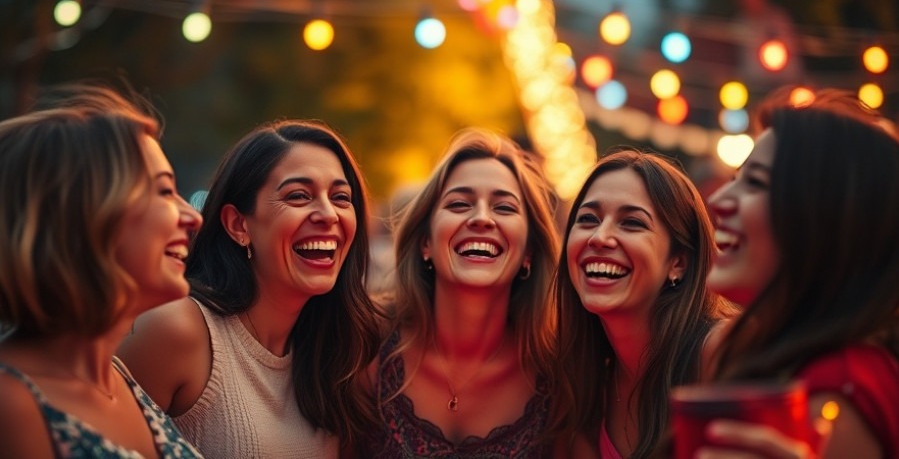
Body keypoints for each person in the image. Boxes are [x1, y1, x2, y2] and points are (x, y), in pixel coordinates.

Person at [118, 120, 383, 458]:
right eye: (298, 195)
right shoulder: (177, 329)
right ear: (238, 225)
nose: (328, 214)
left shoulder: (339, 349)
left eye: (341, 197)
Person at [0, 83, 203, 457]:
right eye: (163, 192)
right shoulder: (12, 406)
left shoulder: (120, 376)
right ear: (82, 217)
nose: (193, 216)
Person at [700, 88, 899, 458]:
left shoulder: (837, 391)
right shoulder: (764, 357)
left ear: (825, 219)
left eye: (755, 183)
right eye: (735, 180)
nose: (718, 202)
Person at [361, 129, 560, 457]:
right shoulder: (367, 344)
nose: (481, 218)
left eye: (504, 208)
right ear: (426, 242)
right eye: (459, 203)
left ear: (529, 253)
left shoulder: (558, 374)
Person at [551, 149, 734, 458]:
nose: (600, 237)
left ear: (678, 262)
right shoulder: (582, 382)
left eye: (632, 223)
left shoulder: (719, 352)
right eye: (587, 219)